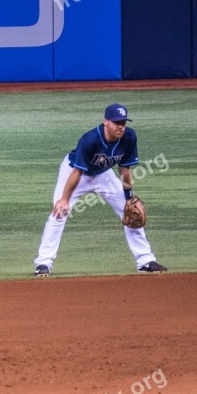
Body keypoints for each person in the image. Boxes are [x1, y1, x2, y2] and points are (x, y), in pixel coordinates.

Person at [34, 103, 167, 277]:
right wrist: (64, 199)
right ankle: (43, 263)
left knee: (131, 212)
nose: (120, 126)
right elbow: (77, 171)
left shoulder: (129, 137)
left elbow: (125, 170)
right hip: (76, 173)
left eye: (123, 123)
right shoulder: (90, 139)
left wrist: (129, 197)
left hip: (104, 174)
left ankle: (145, 260)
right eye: (116, 122)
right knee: (59, 213)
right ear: (106, 122)